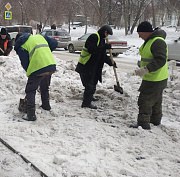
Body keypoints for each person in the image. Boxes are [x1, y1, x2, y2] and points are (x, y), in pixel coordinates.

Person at [130, 21, 168, 130]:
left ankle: (143, 123)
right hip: (157, 77)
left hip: (154, 78)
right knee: (156, 100)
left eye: (140, 33)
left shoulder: (157, 41)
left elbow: (160, 60)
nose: (139, 35)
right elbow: (150, 57)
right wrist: (141, 65)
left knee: (144, 100)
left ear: (146, 32)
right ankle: (155, 121)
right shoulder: (151, 41)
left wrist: (146, 69)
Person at [14, 33, 58, 121]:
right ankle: (46, 105)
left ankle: (30, 114)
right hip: (50, 64)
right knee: (44, 86)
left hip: (38, 67)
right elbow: (54, 43)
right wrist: (45, 53)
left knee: (30, 90)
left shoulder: (21, 46)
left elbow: (25, 63)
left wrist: (30, 74)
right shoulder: (39, 36)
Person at [75, 24, 116, 109]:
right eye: (107, 34)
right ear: (104, 32)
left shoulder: (101, 40)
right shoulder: (94, 37)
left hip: (94, 66)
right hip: (86, 65)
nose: (107, 36)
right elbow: (92, 50)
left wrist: (111, 62)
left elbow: (103, 55)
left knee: (94, 82)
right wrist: (104, 47)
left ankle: (90, 97)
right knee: (89, 85)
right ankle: (86, 103)